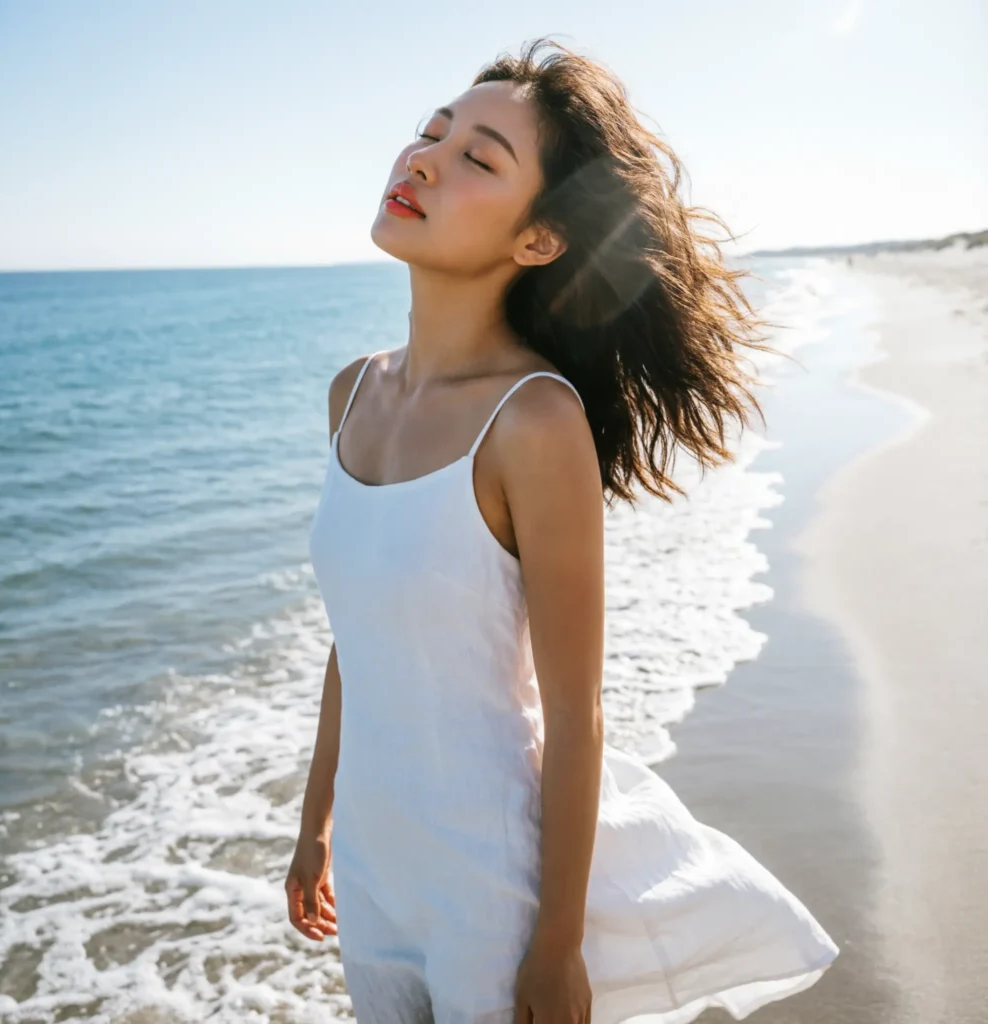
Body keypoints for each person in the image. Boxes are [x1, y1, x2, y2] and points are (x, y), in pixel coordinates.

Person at [285, 36, 839, 1024]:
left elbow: (577, 712)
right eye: (430, 131)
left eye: (477, 159)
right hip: (373, 865)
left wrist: (555, 944)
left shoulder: (532, 421)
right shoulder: (351, 393)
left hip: (488, 880)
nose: (423, 159)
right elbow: (354, 639)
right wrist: (314, 824)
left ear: (538, 239)